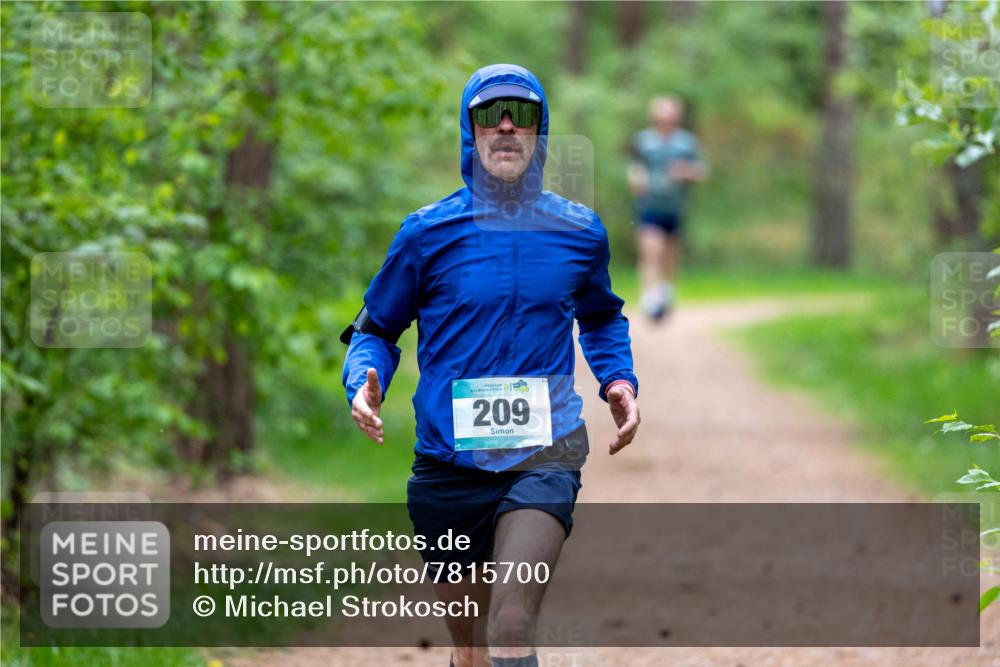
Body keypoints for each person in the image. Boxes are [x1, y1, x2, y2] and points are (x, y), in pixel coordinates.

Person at [341, 64, 640, 667]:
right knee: (474, 649)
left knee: (510, 625)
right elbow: (376, 329)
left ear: (540, 132)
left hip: (544, 455)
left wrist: (618, 379)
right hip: (447, 464)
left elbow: (602, 316)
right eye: (490, 115)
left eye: (522, 115)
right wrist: (363, 384)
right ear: (469, 131)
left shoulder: (580, 232)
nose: (506, 127)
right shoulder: (426, 233)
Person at [627, 96, 707, 321]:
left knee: (670, 257)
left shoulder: (686, 142)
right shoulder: (643, 140)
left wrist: (686, 171)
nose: (665, 122)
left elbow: (701, 172)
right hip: (649, 205)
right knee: (651, 252)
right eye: (660, 118)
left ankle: (666, 292)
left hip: (675, 208)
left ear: (676, 119)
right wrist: (636, 178)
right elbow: (635, 167)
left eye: (669, 118)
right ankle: (650, 298)